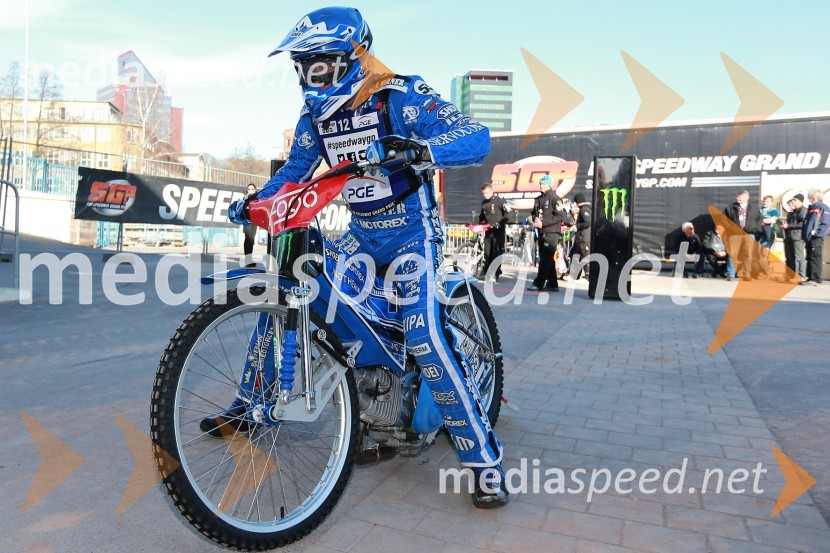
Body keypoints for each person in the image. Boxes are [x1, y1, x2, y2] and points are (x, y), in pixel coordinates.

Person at [216, 7, 508, 508]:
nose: (311, 78)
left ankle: (485, 462)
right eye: (303, 68)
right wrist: (256, 201)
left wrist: (417, 147)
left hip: (413, 236)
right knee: (295, 288)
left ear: (353, 57)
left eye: (321, 66)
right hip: (360, 236)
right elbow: (295, 169)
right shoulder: (317, 117)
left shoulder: (399, 94)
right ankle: (250, 408)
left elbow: (475, 137)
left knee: (424, 336)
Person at [529, 175, 568, 291]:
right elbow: (533, 213)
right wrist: (535, 219)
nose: (541, 186)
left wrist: (544, 223)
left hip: (551, 232)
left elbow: (560, 215)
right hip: (541, 232)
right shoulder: (538, 199)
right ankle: (552, 283)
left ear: (550, 185)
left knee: (545, 259)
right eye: (540, 183)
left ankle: (538, 283)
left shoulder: (555, 198)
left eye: (544, 184)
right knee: (548, 258)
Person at [723, 190, 766, 280]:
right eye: (737, 197)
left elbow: (760, 218)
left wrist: (755, 227)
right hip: (734, 235)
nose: (737, 198)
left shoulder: (754, 208)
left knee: (748, 255)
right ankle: (730, 274)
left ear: (746, 197)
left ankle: (747, 274)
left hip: (749, 234)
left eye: (740, 197)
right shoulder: (731, 208)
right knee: (733, 254)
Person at [478, 183, 510, 282]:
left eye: (487, 193)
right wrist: (478, 225)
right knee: (487, 253)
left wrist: (500, 223)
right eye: (483, 193)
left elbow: (509, 213)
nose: (485, 195)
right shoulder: (484, 203)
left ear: (492, 191)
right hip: (488, 232)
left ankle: (495, 273)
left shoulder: (499, 201)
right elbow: (482, 217)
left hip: (498, 232)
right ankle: (487, 272)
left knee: (496, 252)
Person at [802, 188, 830, 285]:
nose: (807, 197)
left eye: (809, 195)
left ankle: (816, 278)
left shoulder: (822, 207)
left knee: (815, 257)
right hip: (809, 237)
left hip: (816, 237)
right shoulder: (811, 207)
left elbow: (826, 223)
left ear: (814, 196)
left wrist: (817, 233)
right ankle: (809, 277)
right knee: (809, 256)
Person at [781, 194, 807, 282]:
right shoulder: (791, 212)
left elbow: (802, 223)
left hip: (797, 237)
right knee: (789, 257)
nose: (792, 202)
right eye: (792, 200)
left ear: (800, 201)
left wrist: (789, 225)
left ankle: (801, 275)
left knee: (799, 257)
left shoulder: (803, 210)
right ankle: (790, 275)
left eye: (795, 200)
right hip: (788, 236)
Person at [571, 193, 591, 279]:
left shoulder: (584, 209)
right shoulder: (585, 209)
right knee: (575, 255)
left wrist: (577, 226)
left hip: (584, 238)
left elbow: (588, 222)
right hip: (581, 238)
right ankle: (575, 275)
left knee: (585, 257)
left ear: (577, 202)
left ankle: (588, 276)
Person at [242, 183, 259, 262]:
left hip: (254, 221)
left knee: (252, 239)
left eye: (252, 189)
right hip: (247, 221)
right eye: (249, 189)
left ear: (255, 190)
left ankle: (249, 258)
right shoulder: (245, 198)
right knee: (248, 238)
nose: (250, 191)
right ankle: (247, 260)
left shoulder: (257, 198)